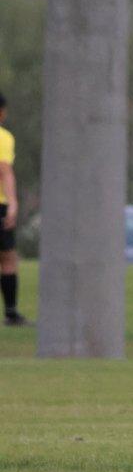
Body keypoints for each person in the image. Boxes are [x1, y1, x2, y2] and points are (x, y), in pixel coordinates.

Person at [0, 91, 31, 327]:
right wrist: (13, 203)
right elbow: (4, 170)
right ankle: (11, 312)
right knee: (8, 257)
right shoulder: (3, 137)